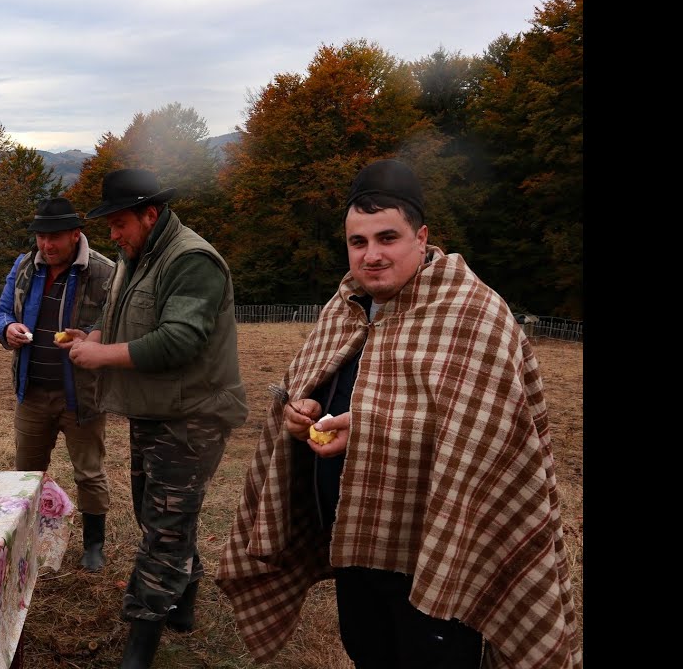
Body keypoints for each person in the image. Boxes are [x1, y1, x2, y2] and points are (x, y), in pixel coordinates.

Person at [215, 159, 582, 668]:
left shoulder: (474, 314)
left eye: (387, 238)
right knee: (367, 650)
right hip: (353, 539)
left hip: (433, 549)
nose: (371, 255)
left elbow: (487, 440)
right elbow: (317, 383)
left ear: (422, 237)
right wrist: (301, 412)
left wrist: (369, 431)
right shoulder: (345, 304)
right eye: (358, 241)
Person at [67, 169, 249, 668]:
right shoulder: (137, 256)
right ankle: (183, 604)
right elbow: (118, 314)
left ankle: (140, 645)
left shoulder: (191, 261)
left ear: (150, 214)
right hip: (155, 408)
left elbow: (179, 340)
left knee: (164, 528)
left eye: (119, 223)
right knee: (160, 514)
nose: (113, 235)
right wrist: (94, 337)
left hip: (194, 415)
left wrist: (101, 357)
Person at [0, 197, 116, 571]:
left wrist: (90, 337)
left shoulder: (103, 271)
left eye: (55, 237)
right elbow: (1, 311)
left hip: (83, 395)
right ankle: (25, 540)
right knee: (26, 475)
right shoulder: (25, 266)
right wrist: (7, 328)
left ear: (75, 234)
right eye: (41, 237)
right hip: (32, 392)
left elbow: (117, 325)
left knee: (89, 472)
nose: (46, 245)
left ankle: (94, 544)